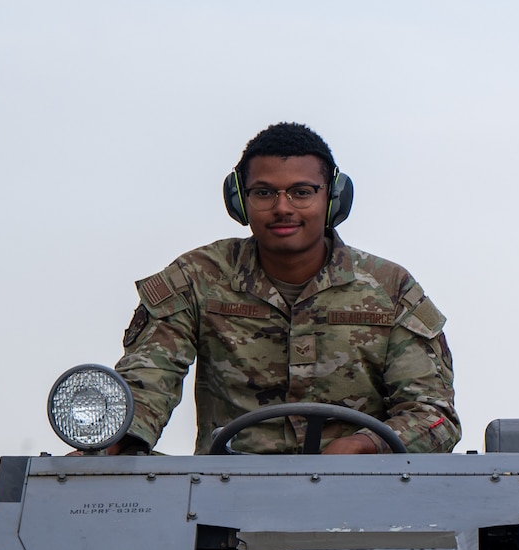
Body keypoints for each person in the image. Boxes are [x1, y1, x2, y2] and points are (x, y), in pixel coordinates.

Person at [98, 122, 459, 455]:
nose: (282, 208)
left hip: (360, 498)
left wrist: (365, 445)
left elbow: (434, 416)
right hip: (223, 499)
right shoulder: (197, 279)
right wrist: (115, 441)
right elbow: (146, 382)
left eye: (302, 192)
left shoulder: (390, 289)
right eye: (264, 193)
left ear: (333, 198)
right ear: (239, 201)